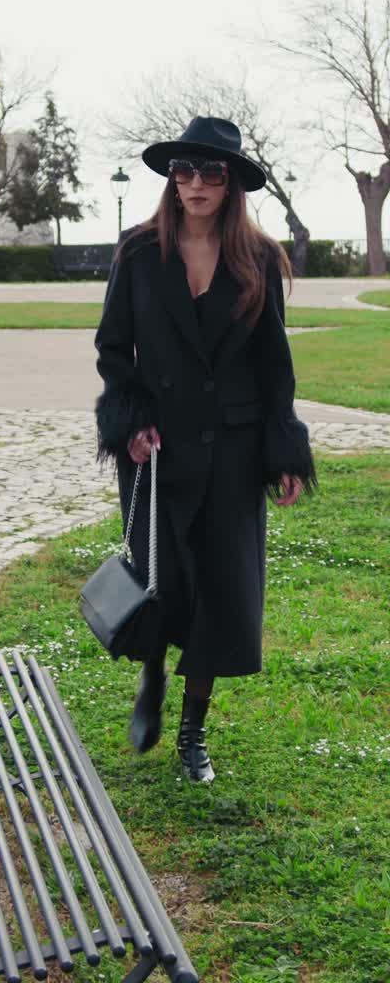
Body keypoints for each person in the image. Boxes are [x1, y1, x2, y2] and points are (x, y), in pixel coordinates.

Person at [94, 116, 315, 783]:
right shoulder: (138, 254)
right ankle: (153, 680)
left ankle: (193, 730)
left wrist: (284, 450)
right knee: (164, 583)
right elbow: (113, 350)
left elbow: (275, 366)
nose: (194, 183)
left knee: (221, 593)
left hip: (233, 450)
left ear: (232, 182)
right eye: (183, 170)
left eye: (210, 172)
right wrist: (130, 422)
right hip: (156, 452)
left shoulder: (258, 259)